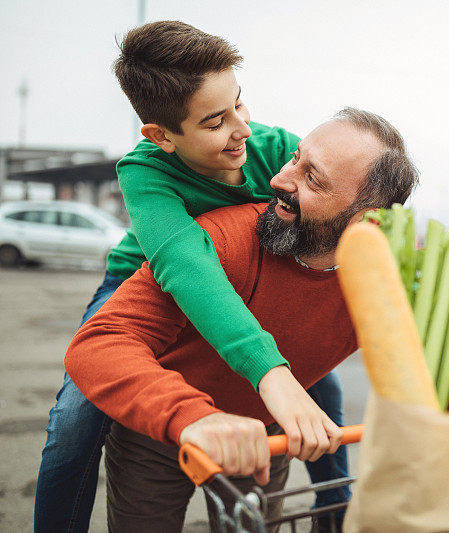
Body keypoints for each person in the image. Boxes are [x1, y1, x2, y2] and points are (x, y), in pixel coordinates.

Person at [35, 21, 346, 532]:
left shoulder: (272, 149)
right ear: (162, 137)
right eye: (215, 121)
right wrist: (268, 370)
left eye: (240, 103)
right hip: (141, 276)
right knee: (76, 419)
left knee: (319, 389)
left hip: (237, 279)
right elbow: (187, 267)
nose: (242, 128)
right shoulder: (145, 172)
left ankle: (334, 516)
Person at [64, 108, 418, 531]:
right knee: (75, 437)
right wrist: (192, 417)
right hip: (160, 430)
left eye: (313, 179)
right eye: (294, 159)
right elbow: (98, 343)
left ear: (368, 221)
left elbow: (439, 361)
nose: (279, 180)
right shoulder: (226, 238)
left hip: (264, 439)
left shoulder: (385, 288)